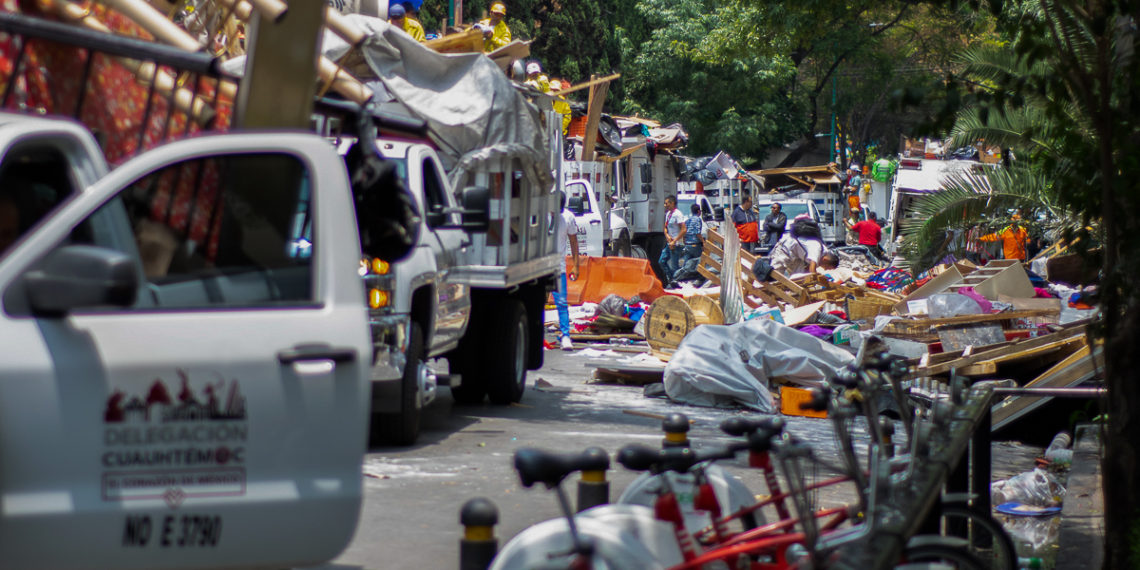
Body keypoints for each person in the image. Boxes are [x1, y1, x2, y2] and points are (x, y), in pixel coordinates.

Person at [553, 191, 581, 350]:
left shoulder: (568, 217)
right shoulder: (543, 214)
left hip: (559, 267)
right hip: (541, 265)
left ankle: (565, 336)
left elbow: (573, 242)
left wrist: (576, 265)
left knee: (562, 302)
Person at [669, 203, 704, 286]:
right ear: (699, 211)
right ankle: (698, 281)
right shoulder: (698, 219)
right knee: (699, 263)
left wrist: (685, 242)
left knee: (685, 265)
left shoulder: (688, 220)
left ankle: (676, 279)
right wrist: (703, 241)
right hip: (695, 245)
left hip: (688, 245)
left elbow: (684, 232)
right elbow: (697, 232)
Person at [658, 195, 685, 282]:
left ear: (672, 203)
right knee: (661, 261)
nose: (665, 205)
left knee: (675, 266)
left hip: (676, 244)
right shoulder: (668, 214)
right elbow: (665, 227)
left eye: (666, 203)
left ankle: (676, 282)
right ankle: (672, 279)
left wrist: (675, 240)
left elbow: (684, 229)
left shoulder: (678, 214)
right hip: (669, 243)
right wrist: (667, 236)